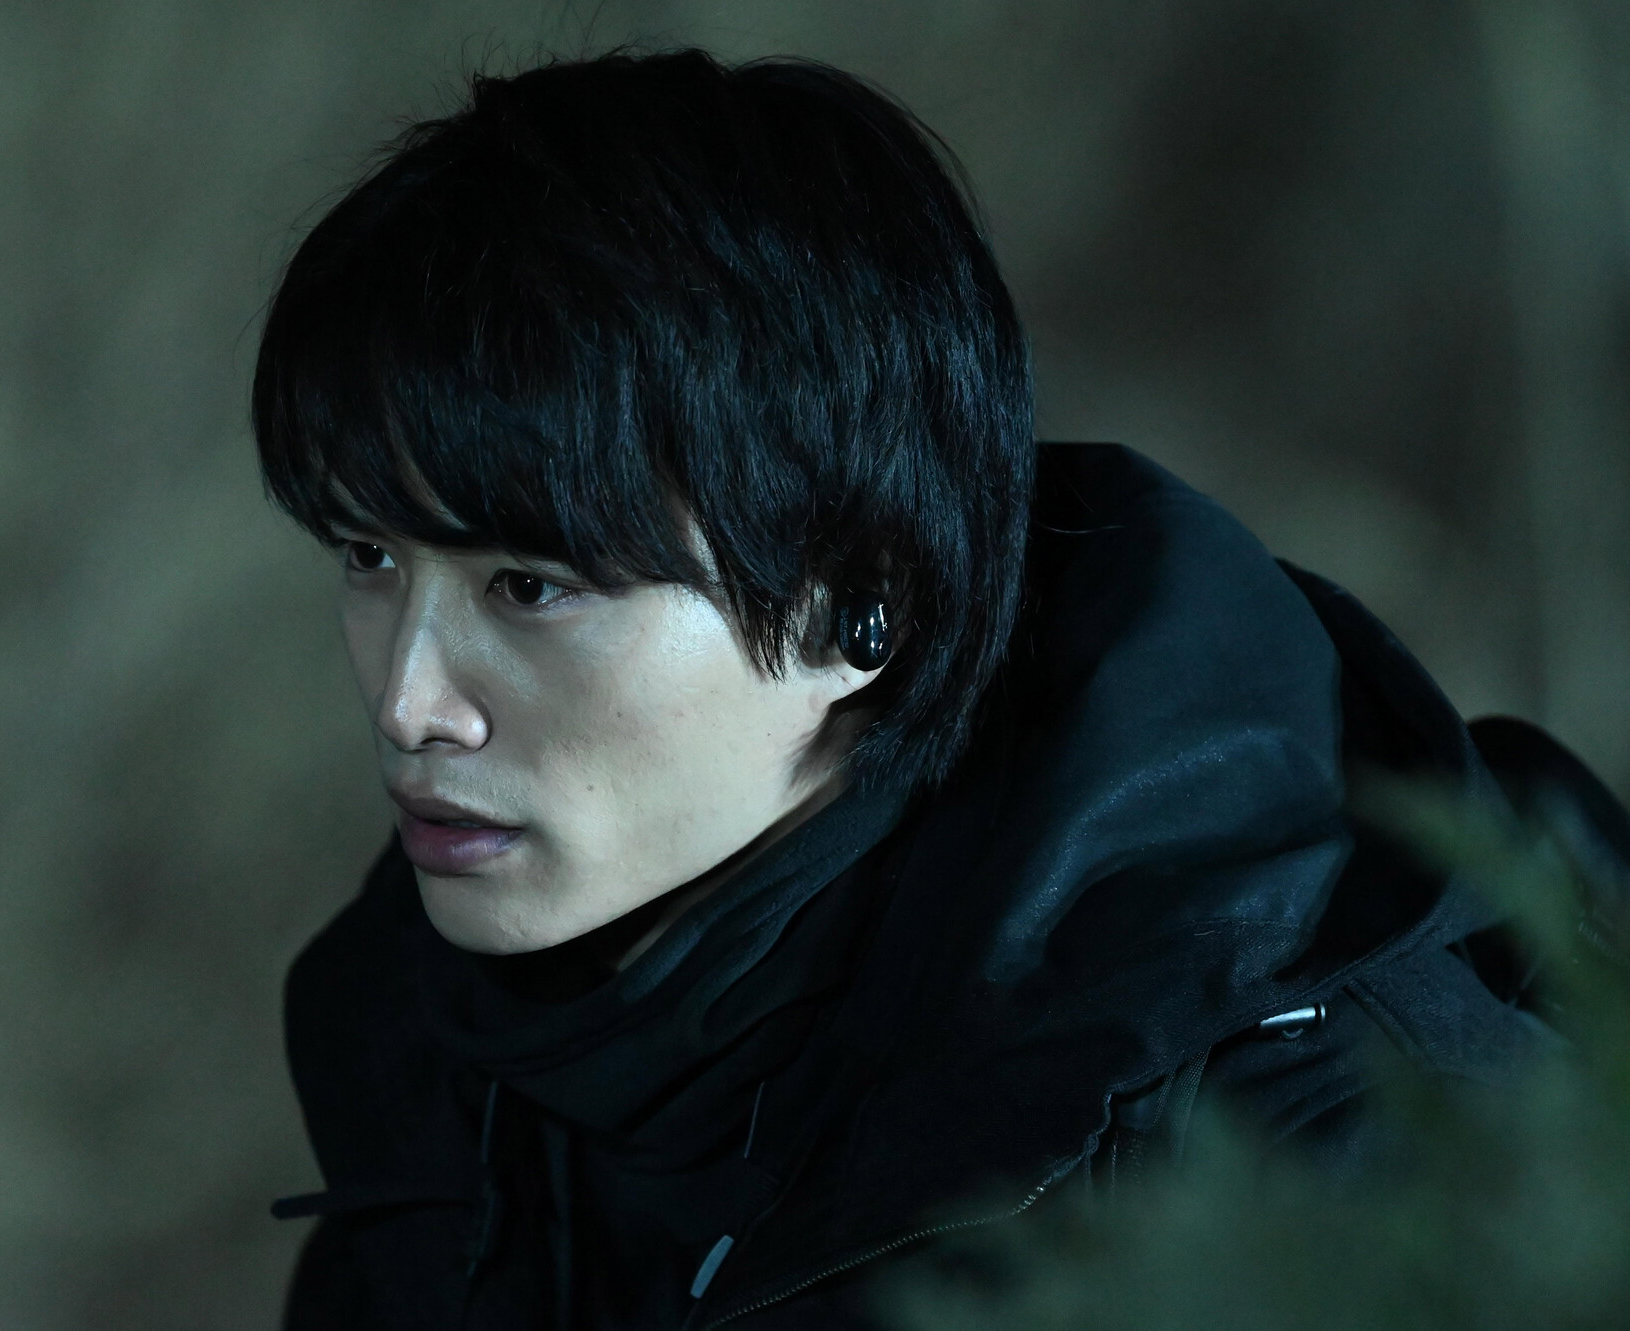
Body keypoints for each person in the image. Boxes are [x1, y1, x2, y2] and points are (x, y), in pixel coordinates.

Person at [248, 48, 1627, 1330]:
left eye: (531, 588)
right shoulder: (435, 1042)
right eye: (369, 557)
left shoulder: (1324, 1152)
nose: (408, 702)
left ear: (862, 609)